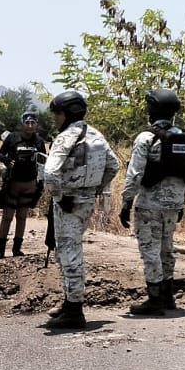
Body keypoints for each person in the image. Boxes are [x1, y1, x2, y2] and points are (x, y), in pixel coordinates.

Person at [41, 89, 120, 328]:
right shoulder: (97, 135)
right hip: (86, 202)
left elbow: (50, 173)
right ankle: (68, 302)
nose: (56, 119)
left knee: (69, 252)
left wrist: (59, 195)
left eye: (58, 114)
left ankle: (74, 309)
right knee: (68, 249)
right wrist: (95, 189)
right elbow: (114, 166)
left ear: (68, 113)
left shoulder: (66, 137)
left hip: (68, 202)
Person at [119, 88, 185, 315]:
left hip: (150, 205)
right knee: (167, 248)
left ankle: (154, 299)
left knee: (150, 250)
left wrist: (126, 201)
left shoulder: (146, 138)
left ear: (153, 109)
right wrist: (182, 201)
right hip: (174, 205)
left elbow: (135, 173)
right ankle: (168, 296)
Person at [0, 111, 47, 258]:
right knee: (7, 216)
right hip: (13, 183)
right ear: (22, 124)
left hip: (30, 184)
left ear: (36, 125)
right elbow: (0, 154)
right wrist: (7, 161)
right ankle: (0, 250)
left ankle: (17, 249)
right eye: (27, 123)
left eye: (33, 123)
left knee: (22, 217)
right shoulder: (12, 138)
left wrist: (40, 185)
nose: (30, 126)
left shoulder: (39, 142)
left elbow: (43, 163)